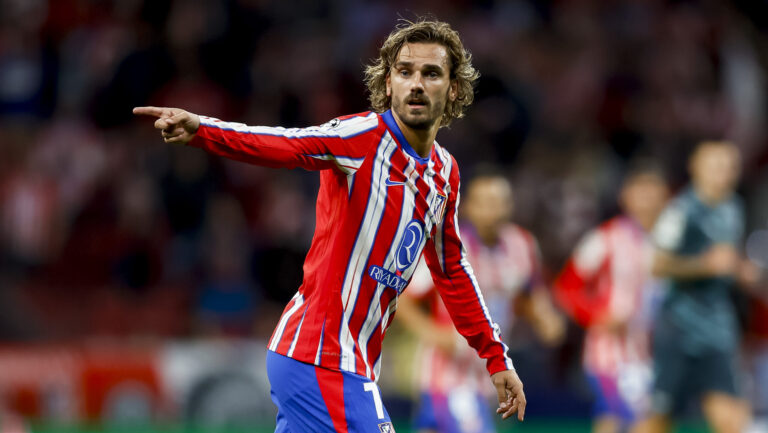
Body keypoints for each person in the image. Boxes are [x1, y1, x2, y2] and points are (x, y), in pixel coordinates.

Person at [134, 19, 526, 433]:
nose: (415, 83)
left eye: (431, 73)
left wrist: (495, 356)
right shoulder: (361, 137)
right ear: (387, 83)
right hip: (319, 354)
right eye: (404, 71)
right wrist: (203, 130)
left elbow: (452, 272)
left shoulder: (445, 174)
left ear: (453, 90)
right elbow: (286, 144)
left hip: (349, 361)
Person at [398, 172, 564, 433]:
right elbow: (404, 298)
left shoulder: (522, 244)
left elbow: (529, 294)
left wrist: (545, 319)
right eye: (484, 202)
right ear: (470, 206)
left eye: (498, 202)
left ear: (510, 206)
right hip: (447, 375)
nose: (492, 210)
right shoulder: (449, 246)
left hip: (489, 377)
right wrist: (433, 333)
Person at [632, 141, 752, 433]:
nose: (723, 174)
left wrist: (740, 270)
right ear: (695, 168)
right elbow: (657, 265)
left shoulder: (733, 208)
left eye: (729, 167)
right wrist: (704, 265)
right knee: (659, 420)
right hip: (679, 330)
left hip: (718, 329)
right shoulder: (681, 211)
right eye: (715, 166)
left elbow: (726, 262)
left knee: (732, 420)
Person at [554, 165, 669, 433]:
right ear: (625, 197)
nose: (648, 199)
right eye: (641, 192)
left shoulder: (671, 241)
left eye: (654, 192)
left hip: (656, 354)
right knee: (642, 422)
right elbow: (565, 288)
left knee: (612, 420)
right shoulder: (606, 238)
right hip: (612, 354)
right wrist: (597, 315)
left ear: (665, 196)